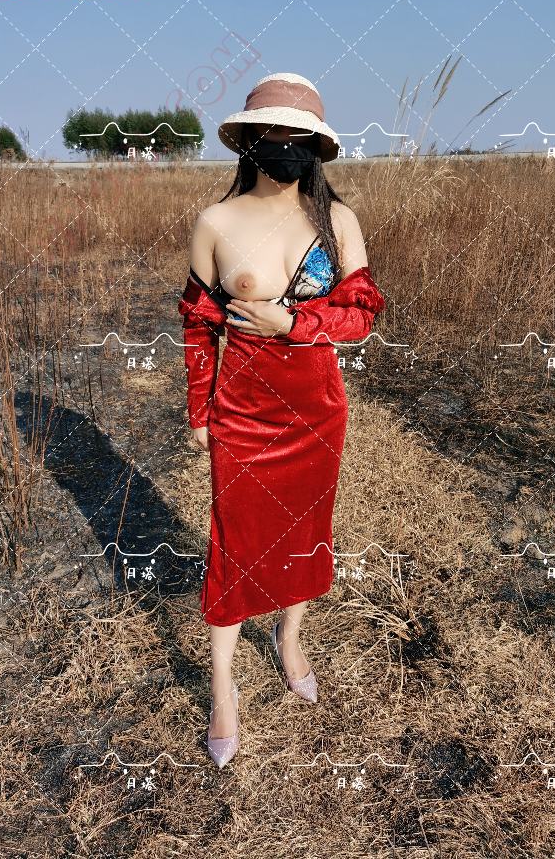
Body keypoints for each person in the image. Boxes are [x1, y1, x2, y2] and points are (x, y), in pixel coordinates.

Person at [178, 73, 385, 768]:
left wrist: (293, 322)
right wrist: (199, 409)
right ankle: (222, 685)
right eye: (276, 133)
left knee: (305, 529)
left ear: (317, 147)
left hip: (316, 408)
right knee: (234, 542)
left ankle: (289, 637)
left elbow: (362, 314)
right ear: (250, 140)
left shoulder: (338, 222)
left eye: (301, 136)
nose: (288, 145)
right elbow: (198, 324)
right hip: (243, 408)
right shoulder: (216, 222)